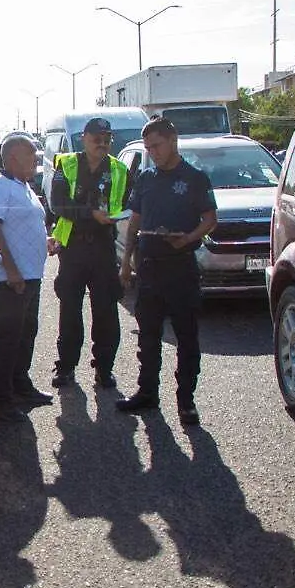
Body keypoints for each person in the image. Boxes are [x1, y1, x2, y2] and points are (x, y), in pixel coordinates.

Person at [117, 117, 217, 425]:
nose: (153, 153)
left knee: (186, 337)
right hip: (149, 268)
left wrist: (187, 237)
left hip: (181, 268)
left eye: (157, 146)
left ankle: (186, 401)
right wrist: (126, 261)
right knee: (147, 335)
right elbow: (135, 221)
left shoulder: (195, 178)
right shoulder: (146, 178)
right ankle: (147, 393)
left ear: (173, 140)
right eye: (148, 148)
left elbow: (210, 219)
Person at [0, 132, 58, 422]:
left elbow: (25, 225)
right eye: (31, 157)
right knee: (8, 340)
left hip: (30, 276)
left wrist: (45, 239)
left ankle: (20, 385)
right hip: (10, 280)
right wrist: (10, 269)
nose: (36, 162)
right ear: (12, 158)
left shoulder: (22, 185)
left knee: (26, 334)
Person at [48, 117, 130, 391]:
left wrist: (115, 217)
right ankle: (66, 367)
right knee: (70, 310)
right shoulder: (67, 164)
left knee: (106, 311)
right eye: (96, 137)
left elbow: (127, 204)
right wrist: (91, 214)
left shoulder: (119, 169)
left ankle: (104, 369)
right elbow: (59, 204)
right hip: (73, 248)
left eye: (107, 137)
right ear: (84, 138)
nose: (102, 142)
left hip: (104, 247)